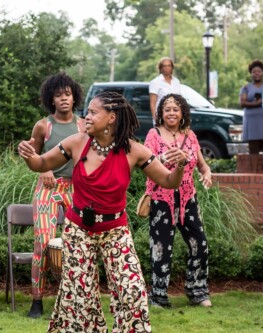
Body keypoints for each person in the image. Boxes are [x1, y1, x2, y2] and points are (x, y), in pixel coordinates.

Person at [18, 91, 188, 333]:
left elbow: (170, 181)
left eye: (93, 112)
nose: (86, 116)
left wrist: (180, 165)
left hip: (115, 231)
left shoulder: (134, 151)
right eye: (87, 112)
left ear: (111, 118)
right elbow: (40, 164)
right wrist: (28, 154)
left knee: (132, 291)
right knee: (80, 299)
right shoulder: (76, 143)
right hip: (79, 231)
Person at [144, 94, 212, 308]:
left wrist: (207, 174)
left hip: (187, 199)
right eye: (167, 109)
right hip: (162, 199)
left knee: (199, 244)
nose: (171, 112)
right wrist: (163, 159)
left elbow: (202, 165)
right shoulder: (153, 135)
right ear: (161, 114)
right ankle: (158, 296)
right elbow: (145, 163)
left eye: (175, 109)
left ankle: (197, 291)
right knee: (162, 248)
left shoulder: (190, 135)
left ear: (182, 112)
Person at [27, 73, 86, 318]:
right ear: (51, 99)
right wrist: (44, 169)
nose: (63, 99)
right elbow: (31, 153)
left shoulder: (83, 125)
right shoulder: (44, 125)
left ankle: (75, 299)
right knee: (43, 243)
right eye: (59, 95)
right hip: (49, 189)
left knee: (79, 244)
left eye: (67, 94)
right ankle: (37, 300)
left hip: (76, 188)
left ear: (74, 98)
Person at [240, 60, 263, 173]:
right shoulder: (246, 87)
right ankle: (253, 175)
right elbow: (242, 103)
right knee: (253, 149)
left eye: (259, 71)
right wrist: (257, 104)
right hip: (251, 122)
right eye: (254, 72)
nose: (257, 73)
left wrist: (261, 103)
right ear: (251, 73)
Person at [149, 57, 181, 122]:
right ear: (161, 68)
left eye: (169, 65)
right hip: (161, 116)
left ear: (172, 67)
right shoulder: (155, 82)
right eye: (164, 66)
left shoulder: (176, 81)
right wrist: (155, 119)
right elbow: (152, 103)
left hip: (175, 116)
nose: (167, 68)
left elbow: (179, 100)